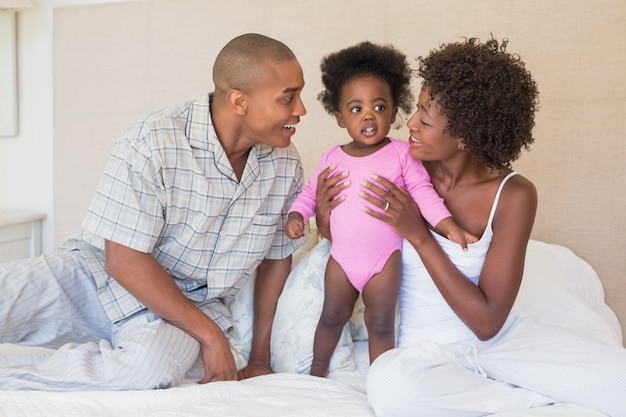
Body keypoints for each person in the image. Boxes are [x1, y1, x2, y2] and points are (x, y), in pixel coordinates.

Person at [316, 37, 626, 416]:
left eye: (425, 121)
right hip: (427, 355)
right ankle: (528, 400)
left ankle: (516, 385)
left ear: (464, 136)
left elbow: (487, 322)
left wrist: (418, 235)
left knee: (619, 382)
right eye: (416, 111)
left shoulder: (514, 195)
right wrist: (322, 214)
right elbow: (350, 244)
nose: (409, 123)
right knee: (389, 385)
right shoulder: (398, 165)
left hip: (504, 342)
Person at [0, 33, 307, 391]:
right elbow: (123, 259)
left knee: (142, 372)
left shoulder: (286, 166)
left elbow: (275, 259)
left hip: (182, 311)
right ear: (239, 101)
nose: (300, 110)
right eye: (289, 98)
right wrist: (211, 336)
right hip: (96, 276)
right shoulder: (153, 138)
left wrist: (258, 359)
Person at [285, 41, 476, 378]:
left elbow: (423, 194)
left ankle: (380, 379)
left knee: (380, 322)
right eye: (356, 109)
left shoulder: (402, 154)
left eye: (379, 106)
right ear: (340, 117)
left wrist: (449, 227)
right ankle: (316, 373)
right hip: (341, 259)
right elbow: (310, 192)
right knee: (331, 315)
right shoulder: (332, 157)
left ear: (393, 111)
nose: (369, 114)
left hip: (383, 260)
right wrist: (297, 215)